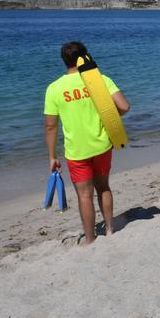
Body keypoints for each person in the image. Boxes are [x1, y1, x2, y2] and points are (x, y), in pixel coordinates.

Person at [44, 41, 130, 245]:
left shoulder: (54, 88)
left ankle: (90, 239)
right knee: (103, 187)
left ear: (64, 61)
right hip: (102, 145)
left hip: (77, 151)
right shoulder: (101, 80)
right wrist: (108, 116)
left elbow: (50, 127)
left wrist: (52, 157)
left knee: (84, 196)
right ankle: (109, 229)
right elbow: (124, 107)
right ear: (84, 57)